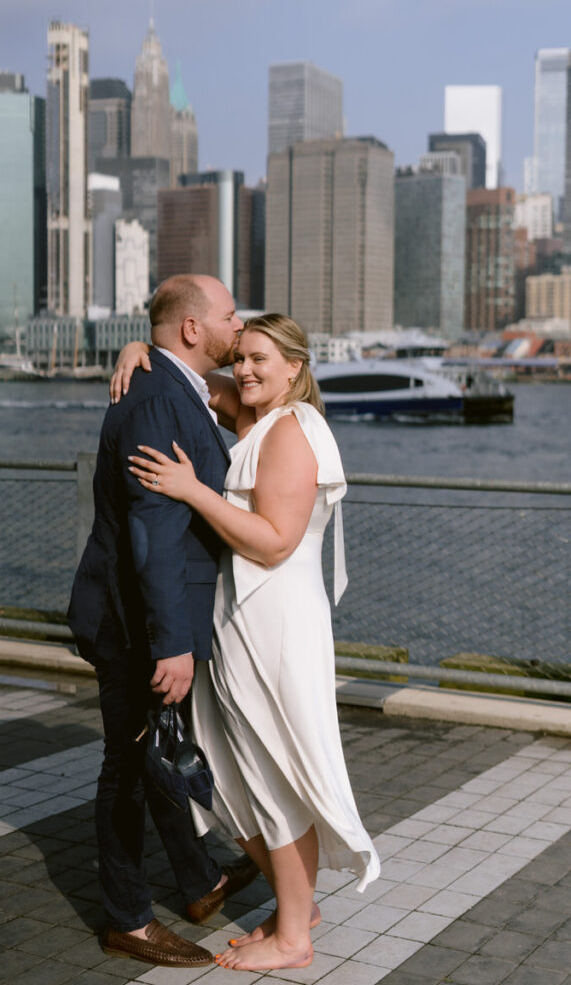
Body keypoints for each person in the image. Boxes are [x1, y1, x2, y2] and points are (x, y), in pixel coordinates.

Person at [121, 313, 381, 972]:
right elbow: (191, 374)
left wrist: (193, 490)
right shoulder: (252, 413)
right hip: (240, 619)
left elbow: (273, 542)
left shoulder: (293, 431)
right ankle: (299, 907)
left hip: (278, 622)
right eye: (240, 358)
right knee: (232, 776)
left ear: (295, 366)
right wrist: (135, 348)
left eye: (261, 359)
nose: (244, 370)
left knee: (276, 775)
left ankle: (294, 938)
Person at [67, 274, 257, 969]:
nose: (239, 326)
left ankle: (199, 879)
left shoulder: (177, 386)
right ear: (190, 328)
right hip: (133, 622)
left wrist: (132, 345)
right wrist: (172, 643)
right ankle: (127, 919)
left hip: (151, 614)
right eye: (230, 315)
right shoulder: (154, 397)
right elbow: (151, 532)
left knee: (155, 749)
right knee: (126, 763)